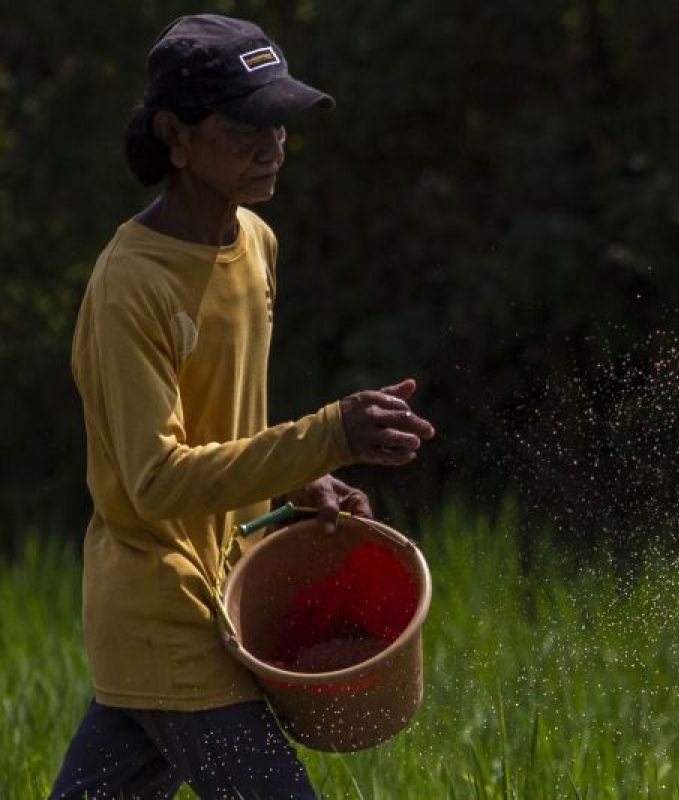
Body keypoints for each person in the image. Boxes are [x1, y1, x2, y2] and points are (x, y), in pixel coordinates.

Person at [48, 14, 435, 799]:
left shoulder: (254, 241)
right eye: (245, 128)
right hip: (162, 608)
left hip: (220, 590)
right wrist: (326, 436)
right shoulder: (131, 286)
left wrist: (298, 483)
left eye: (281, 126)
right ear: (175, 136)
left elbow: (219, 428)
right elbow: (154, 479)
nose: (272, 147)